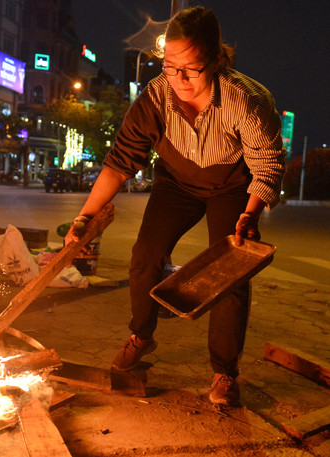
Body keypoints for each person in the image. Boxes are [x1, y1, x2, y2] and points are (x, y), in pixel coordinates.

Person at [65, 7, 285, 407]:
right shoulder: (155, 96)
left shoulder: (248, 101)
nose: (179, 79)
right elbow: (119, 164)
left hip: (231, 188)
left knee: (229, 275)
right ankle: (141, 336)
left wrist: (249, 215)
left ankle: (224, 373)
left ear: (217, 60)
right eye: (170, 67)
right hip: (176, 184)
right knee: (145, 254)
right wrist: (84, 217)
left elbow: (267, 166)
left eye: (192, 68)